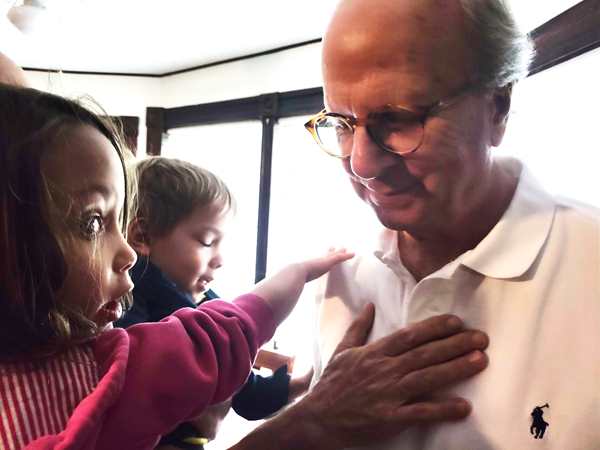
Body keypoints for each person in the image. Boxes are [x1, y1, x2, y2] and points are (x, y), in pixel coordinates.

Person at [0, 84, 490, 449]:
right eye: (91, 223)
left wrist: (291, 284)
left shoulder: (100, 354)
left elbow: (221, 333)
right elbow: (208, 344)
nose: (126, 252)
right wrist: (313, 416)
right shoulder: (113, 370)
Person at [306, 0, 600, 449]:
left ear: (497, 107)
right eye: (342, 124)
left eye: (398, 119)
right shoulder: (338, 277)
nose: (361, 164)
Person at [116, 157, 313, 448]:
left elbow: (242, 386)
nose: (219, 260)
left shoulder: (201, 303)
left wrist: (295, 385)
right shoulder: (126, 298)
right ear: (141, 237)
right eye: (207, 242)